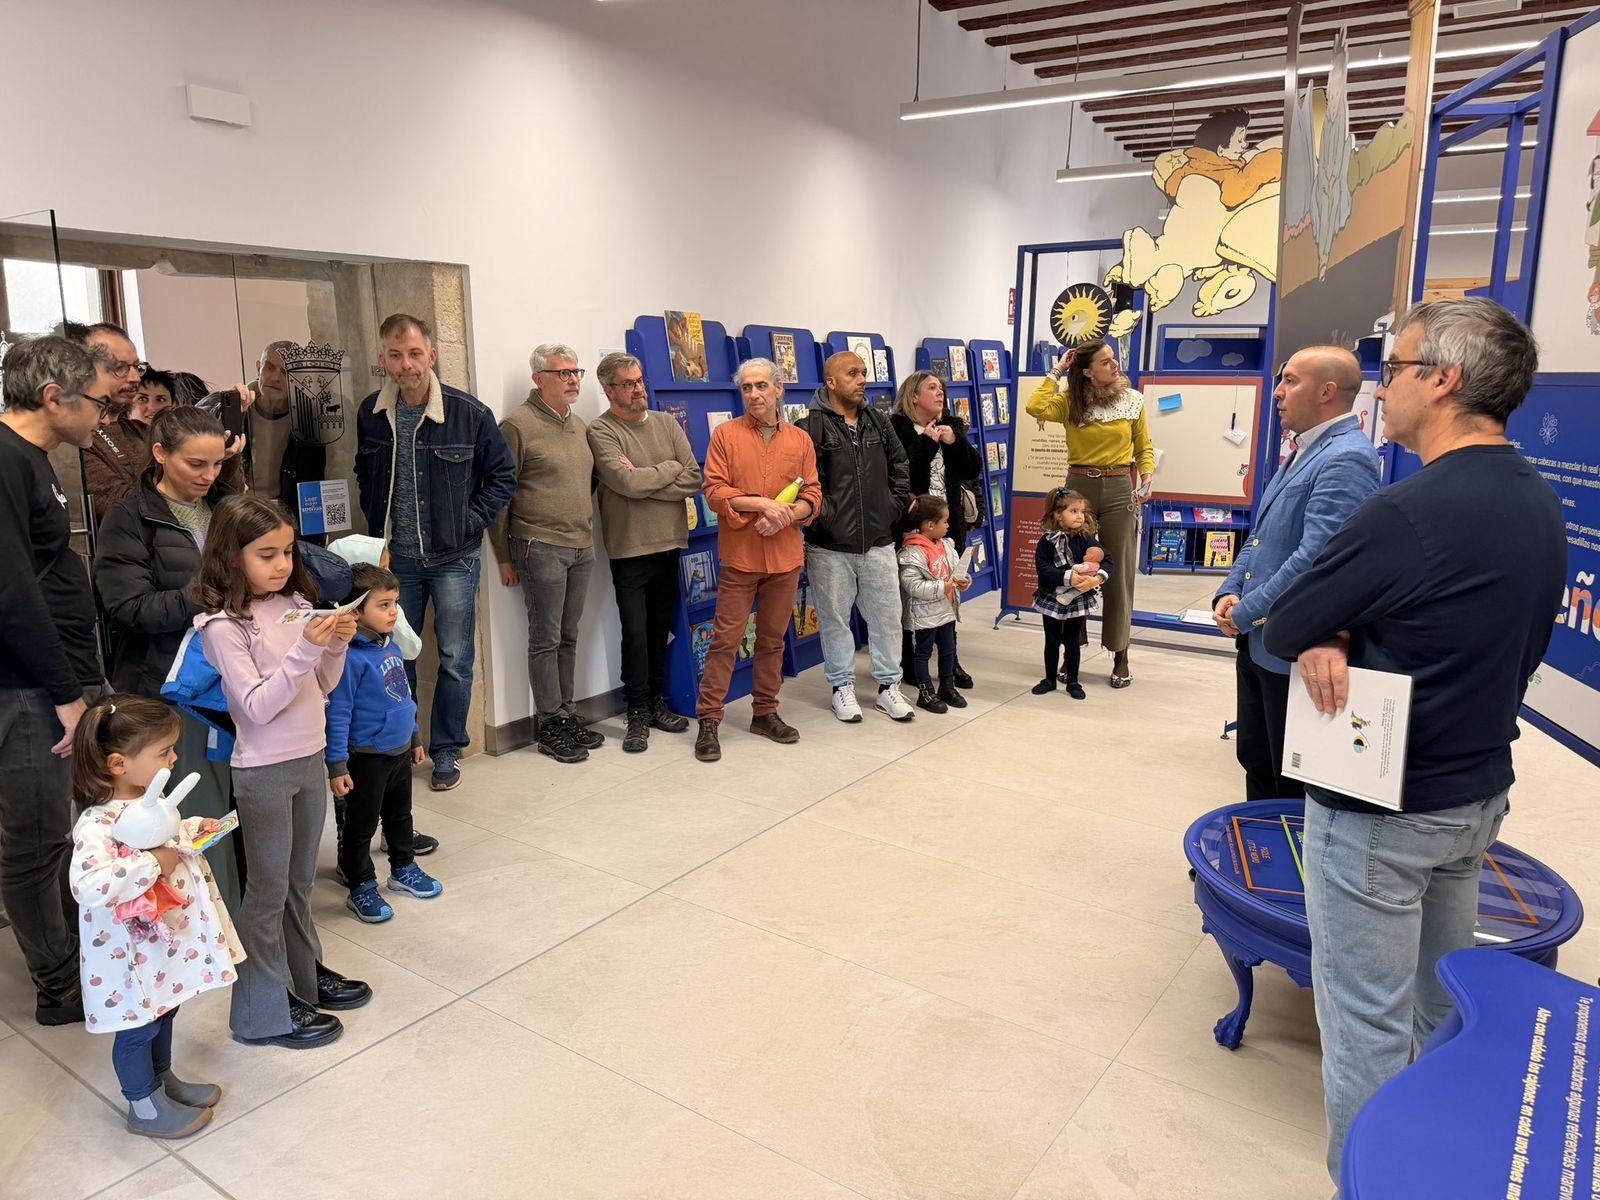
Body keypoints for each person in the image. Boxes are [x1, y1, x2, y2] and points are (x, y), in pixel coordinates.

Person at [1262, 298, 1567, 1186]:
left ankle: (1374, 1179)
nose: (1381, 389)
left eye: (1392, 369)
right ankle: (1440, 1167)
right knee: (1443, 1002)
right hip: (1474, 800)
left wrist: (1332, 630)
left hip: (1380, 812)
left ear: (1443, 379)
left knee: (1364, 1025)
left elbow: (1288, 624)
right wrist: (1344, 631)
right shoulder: (1537, 502)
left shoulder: (1408, 511)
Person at [192, 494, 371, 1050]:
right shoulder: (222, 625)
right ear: (230, 556)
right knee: (266, 893)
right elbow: (256, 707)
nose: (282, 565)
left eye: (288, 552)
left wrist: (335, 647)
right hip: (263, 772)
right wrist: (303, 652)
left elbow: (320, 688)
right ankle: (260, 1012)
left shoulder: (293, 604)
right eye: (265, 554)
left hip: (308, 758)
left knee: (297, 883)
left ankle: (304, 976)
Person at [67, 696, 242, 1139]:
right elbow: (89, 886)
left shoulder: (153, 802)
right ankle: (143, 1104)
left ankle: (162, 1080)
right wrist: (154, 863)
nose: (174, 758)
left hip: (159, 946)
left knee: (165, 1012)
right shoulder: (97, 822)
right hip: (129, 957)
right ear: (118, 763)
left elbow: (162, 842)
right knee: (138, 1026)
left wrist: (189, 832)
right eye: (164, 752)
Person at [354, 314, 516, 791]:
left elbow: (502, 477)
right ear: (383, 358)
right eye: (397, 355)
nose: (407, 365)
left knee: (455, 656)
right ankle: (403, 744)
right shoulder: (371, 412)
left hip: (453, 558)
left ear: (432, 355)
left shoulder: (470, 413)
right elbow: (366, 473)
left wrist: (465, 523)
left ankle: (446, 749)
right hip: (394, 561)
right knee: (393, 656)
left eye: (415, 354)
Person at [1212, 346, 1381, 801]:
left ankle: (1276, 867)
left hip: (1290, 646)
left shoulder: (1347, 458)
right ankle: (1250, 857)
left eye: (1291, 381)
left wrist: (1247, 611)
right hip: (1259, 641)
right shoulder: (1305, 449)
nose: (1279, 393)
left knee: (1286, 776)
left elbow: (1315, 558)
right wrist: (1228, 592)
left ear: (1327, 392)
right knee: (1256, 757)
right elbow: (1264, 536)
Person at [94, 406, 242, 907]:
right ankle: (205, 928)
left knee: (232, 811)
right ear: (159, 454)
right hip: (168, 689)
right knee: (193, 817)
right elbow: (126, 606)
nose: (208, 476)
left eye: (217, 464)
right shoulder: (128, 518)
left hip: (235, 681)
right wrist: (204, 595)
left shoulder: (226, 507)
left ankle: (241, 919)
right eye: (195, 464)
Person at [0, 334, 106, 1026]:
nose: (102, 414)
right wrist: (66, 692)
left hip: (43, 679)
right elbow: (11, 592)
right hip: (24, 689)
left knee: (54, 834)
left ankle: (69, 954)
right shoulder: (6, 462)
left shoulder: (31, 461)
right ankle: (59, 984)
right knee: (36, 842)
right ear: (52, 397)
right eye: (95, 401)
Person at [694, 358, 821, 763]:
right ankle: (709, 720)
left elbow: (813, 495)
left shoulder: (800, 441)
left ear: (779, 390)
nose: (754, 394)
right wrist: (764, 505)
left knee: (771, 641)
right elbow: (714, 491)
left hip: (785, 557)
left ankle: (765, 713)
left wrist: (789, 514)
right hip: (741, 557)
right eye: (747, 388)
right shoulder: (725, 436)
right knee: (725, 641)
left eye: (761, 386)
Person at [489, 342, 606, 765]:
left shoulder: (579, 426)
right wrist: (503, 554)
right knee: (545, 638)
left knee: (569, 635)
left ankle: (567, 714)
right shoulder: (517, 425)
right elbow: (499, 495)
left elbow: (587, 483)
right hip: (538, 546)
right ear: (539, 379)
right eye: (564, 373)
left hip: (581, 546)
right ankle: (549, 725)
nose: (574, 380)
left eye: (577, 372)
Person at [587, 351, 702, 753]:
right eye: (628, 383)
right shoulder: (601, 431)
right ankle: (636, 710)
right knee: (634, 633)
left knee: (658, 629)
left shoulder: (667, 423)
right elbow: (624, 483)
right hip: (630, 547)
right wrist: (664, 470)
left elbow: (692, 475)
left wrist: (647, 475)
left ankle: (655, 701)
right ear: (608, 390)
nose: (639, 389)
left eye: (640, 380)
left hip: (670, 541)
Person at [1026, 339, 1154, 688]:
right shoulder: (1071, 401)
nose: (1114, 366)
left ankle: (1120, 652)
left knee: (1119, 570)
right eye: (1105, 361)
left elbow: (1143, 446)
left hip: (1118, 487)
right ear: (1086, 371)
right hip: (1078, 487)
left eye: (1114, 360)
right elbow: (1034, 407)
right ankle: (1072, 650)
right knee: (1075, 568)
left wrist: (1147, 475)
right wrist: (1057, 370)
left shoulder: (1132, 400)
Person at [804, 350, 915, 723]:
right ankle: (841, 687)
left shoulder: (878, 421)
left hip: (879, 541)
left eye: (864, 372)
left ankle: (888, 688)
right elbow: (807, 483)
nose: (862, 379)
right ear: (831, 382)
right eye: (853, 373)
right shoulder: (812, 426)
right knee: (835, 619)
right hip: (830, 546)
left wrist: (893, 507)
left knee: (886, 617)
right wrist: (826, 517)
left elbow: (900, 465)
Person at [326, 564, 441, 924]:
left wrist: (415, 737)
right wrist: (337, 764)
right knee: (361, 825)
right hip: (366, 757)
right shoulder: (347, 659)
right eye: (384, 605)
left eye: (395, 603)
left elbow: (402, 699)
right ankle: (360, 885)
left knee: (400, 815)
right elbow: (338, 714)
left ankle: (403, 868)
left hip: (398, 753)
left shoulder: (389, 648)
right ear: (355, 611)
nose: (394, 612)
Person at [890, 370, 981, 690]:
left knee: (948, 588)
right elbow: (904, 474)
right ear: (914, 395)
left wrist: (953, 441)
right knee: (909, 594)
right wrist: (926, 443)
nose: (940, 392)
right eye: (932, 387)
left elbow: (973, 468)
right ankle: (907, 661)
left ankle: (949, 661)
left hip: (949, 524)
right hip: (910, 526)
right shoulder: (897, 429)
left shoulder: (953, 426)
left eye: (941, 388)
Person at [1031, 488, 1110, 700]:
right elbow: (1042, 567)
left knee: (1073, 640)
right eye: (1074, 511)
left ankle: (1073, 681)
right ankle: (1049, 679)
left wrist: (1096, 579)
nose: (1080, 516)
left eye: (1082, 512)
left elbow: (1107, 559)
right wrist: (1067, 577)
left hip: (1078, 598)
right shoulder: (1047, 541)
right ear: (1058, 515)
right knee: (1052, 639)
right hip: (1052, 597)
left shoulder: (1085, 538)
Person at [896, 495, 969, 713]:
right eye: (945, 522)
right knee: (923, 653)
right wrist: (943, 588)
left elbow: (956, 571)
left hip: (946, 611)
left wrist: (963, 582)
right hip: (924, 614)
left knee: (948, 649)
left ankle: (947, 686)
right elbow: (913, 587)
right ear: (930, 525)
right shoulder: (911, 553)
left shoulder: (947, 546)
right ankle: (925, 692)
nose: (948, 526)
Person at [245, 341, 323, 503]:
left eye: (286, 372)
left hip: (285, 512)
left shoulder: (310, 420)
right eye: (269, 367)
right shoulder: (237, 411)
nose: (275, 378)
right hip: (239, 506)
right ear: (258, 367)